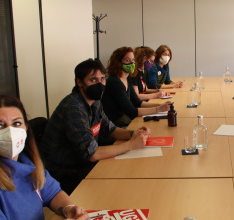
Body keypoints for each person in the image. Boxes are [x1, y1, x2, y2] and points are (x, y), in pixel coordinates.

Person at [40, 59, 154, 194]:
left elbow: (110, 129)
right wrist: (131, 145)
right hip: (64, 172)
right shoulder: (73, 107)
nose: (100, 84)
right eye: (93, 80)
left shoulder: (95, 102)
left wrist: (134, 133)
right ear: (79, 82)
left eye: (102, 79)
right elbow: (92, 154)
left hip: (81, 163)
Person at [0, 95, 88, 220]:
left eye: (16, 123)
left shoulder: (26, 162)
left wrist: (68, 208)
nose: (10, 132)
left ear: (26, 127)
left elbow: (53, 193)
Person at [102, 47, 173, 127]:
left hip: (125, 118)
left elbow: (137, 102)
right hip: (116, 123)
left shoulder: (127, 77)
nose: (132, 63)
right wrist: (158, 109)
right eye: (127, 60)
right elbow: (131, 111)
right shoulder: (114, 81)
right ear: (118, 63)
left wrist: (161, 105)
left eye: (133, 60)